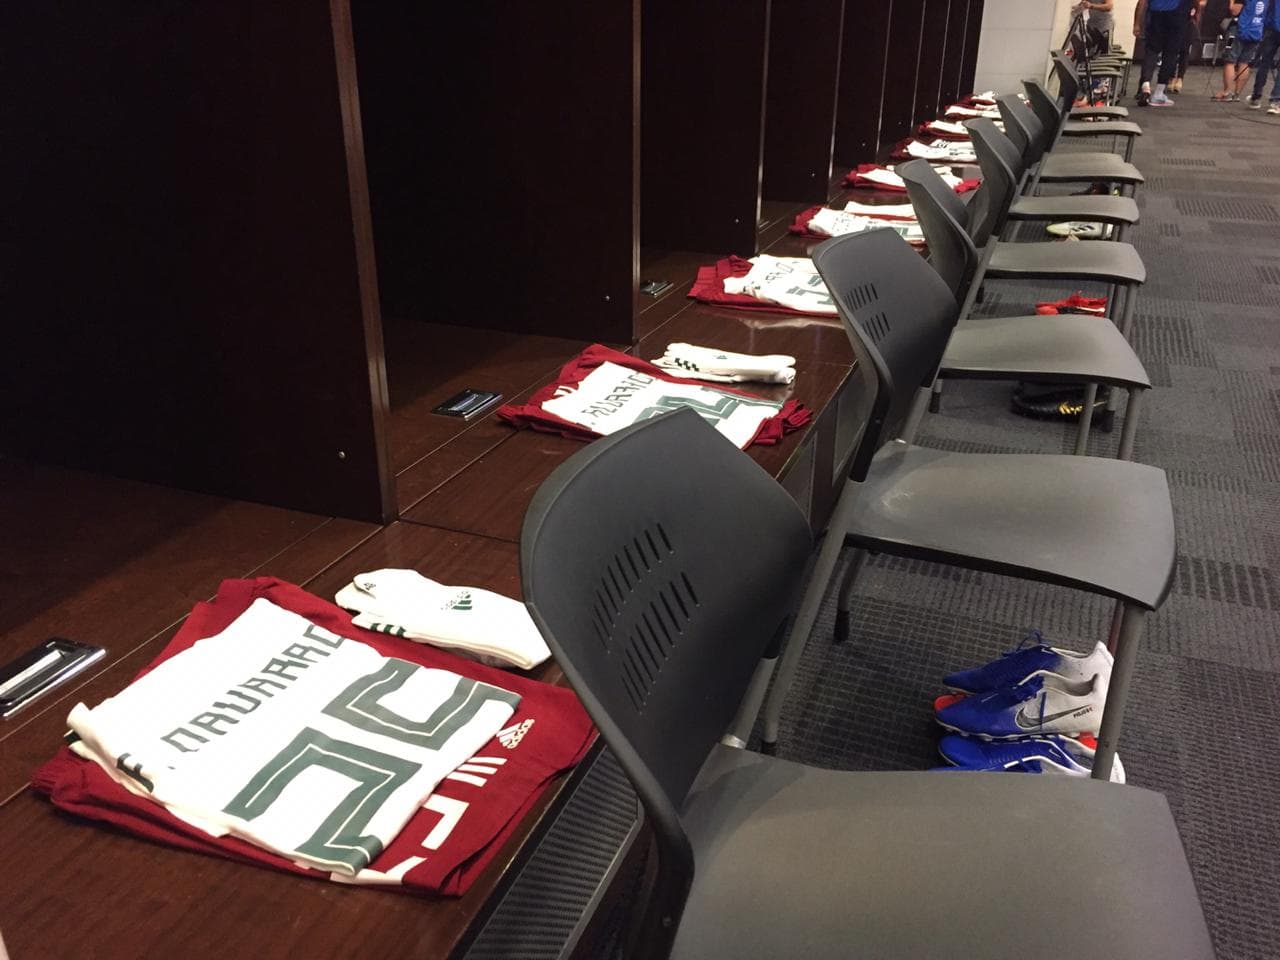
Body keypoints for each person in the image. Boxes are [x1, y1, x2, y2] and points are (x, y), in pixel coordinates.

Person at [1137, 0, 1194, 105]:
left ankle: (1145, 85)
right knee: (1170, 53)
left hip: (1156, 12)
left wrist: (1137, 23)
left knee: (1151, 50)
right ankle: (1159, 92)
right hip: (1177, 14)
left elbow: (1142, 2)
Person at [1215, 1, 1265, 99]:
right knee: (1244, 62)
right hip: (1255, 31)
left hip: (1236, 31)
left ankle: (1227, 92)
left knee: (1229, 60)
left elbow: (1234, 10)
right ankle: (1237, 93)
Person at [1247, 0, 1280, 111]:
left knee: (1264, 62)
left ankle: (1256, 96)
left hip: (1271, 27)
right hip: (1272, 26)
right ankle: (1275, 101)